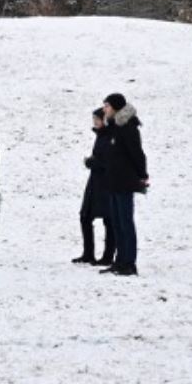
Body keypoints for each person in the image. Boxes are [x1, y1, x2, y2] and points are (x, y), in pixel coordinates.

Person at [97, 93, 148, 277]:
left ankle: (129, 262)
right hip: (113, 182)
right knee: (116, 222)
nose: (104, 109)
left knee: (125, 222)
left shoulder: (128, 128)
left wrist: (142, 175)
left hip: (124, 182)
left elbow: (137, 154)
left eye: (107, 106)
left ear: (116, 107)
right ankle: (119, 261)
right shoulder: (114, 127)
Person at [73, 108, 116, 266]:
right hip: (95, 182)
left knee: (108, 219)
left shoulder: (110, 136)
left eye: (97, 119)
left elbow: (108, 161)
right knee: (85, 216)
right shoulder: (101, 135)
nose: (95, 122)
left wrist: (91, 162)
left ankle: (108, 255)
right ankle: (88, 253)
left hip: (105, 183)